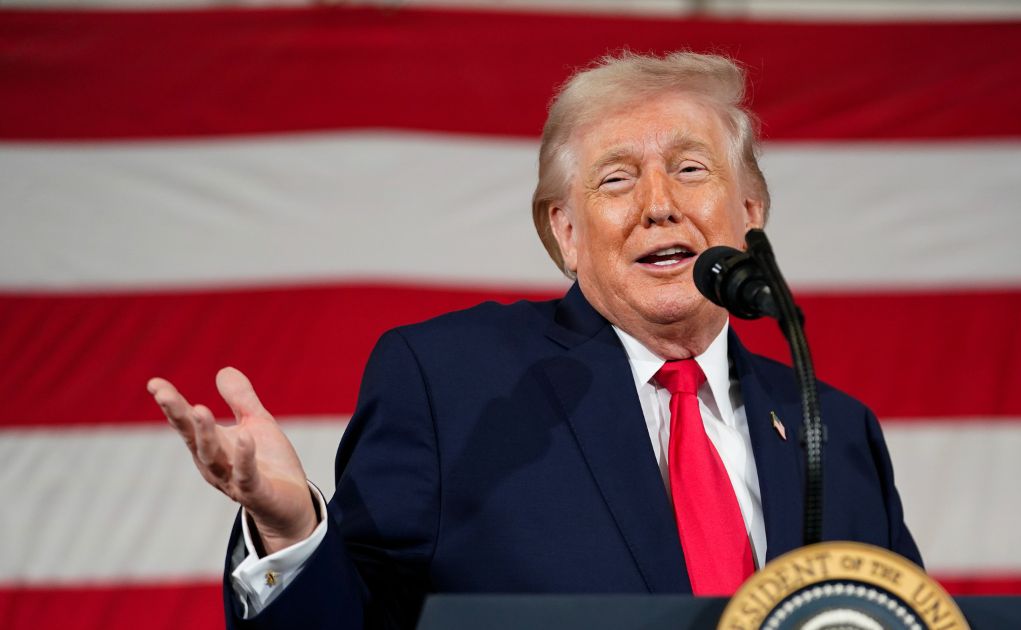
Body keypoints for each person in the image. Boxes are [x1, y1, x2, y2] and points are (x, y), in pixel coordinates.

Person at [148, 51, 920, 629]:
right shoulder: (454, 385)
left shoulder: (834, 430)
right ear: (566, 233)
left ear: (750, 212)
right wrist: (292, 534)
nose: (660, 206)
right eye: (616, 179)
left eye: (691, 168)